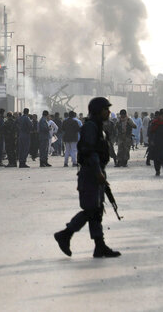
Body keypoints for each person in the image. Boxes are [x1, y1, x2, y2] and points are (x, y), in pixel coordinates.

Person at [53, 97, 121, 258]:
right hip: (91, 173)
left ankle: (99, 246)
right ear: (98, 110)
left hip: (95, 172)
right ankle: (65, 234)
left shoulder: (97, 127)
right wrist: (98, 173)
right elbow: (90, 152)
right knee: (91, 210)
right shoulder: (90, 127)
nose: (108, 112)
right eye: (106, 109)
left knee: (96, 211)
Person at [149, 109, 163, 176]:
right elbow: (151, 133)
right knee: (156, 158)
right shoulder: (154, 123)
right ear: (159, 116)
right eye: (162, 116)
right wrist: (151, 141)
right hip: (156, 143)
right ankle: (157, 170)